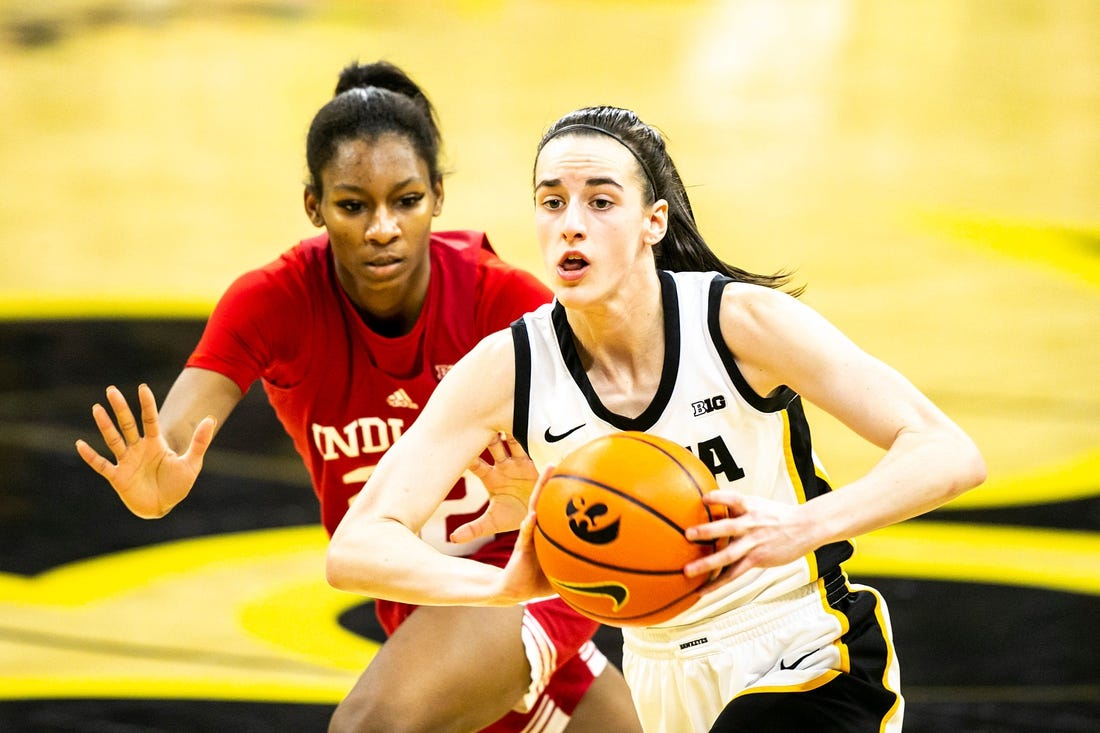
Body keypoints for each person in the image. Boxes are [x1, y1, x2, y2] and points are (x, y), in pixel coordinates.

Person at [324, 105, 988, 732]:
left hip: (805, 647)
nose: (571, 224)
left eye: (601, 201)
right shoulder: (509, 365)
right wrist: (499, 586)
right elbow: (357, 547)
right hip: (661, 674)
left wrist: (802, 525)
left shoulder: (737, 323)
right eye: (551, 201)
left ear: (654, 221)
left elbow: (946, 451)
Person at [75, 65, 642, 733]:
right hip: (424, 607)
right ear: (314, 206)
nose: (382, 228)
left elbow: (623, 442)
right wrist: (158, 483)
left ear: (436, 195)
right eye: (353, 205)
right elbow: (177, 432)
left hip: (524, 571)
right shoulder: (273, 302)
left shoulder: (503, 300)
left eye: (405, 200)